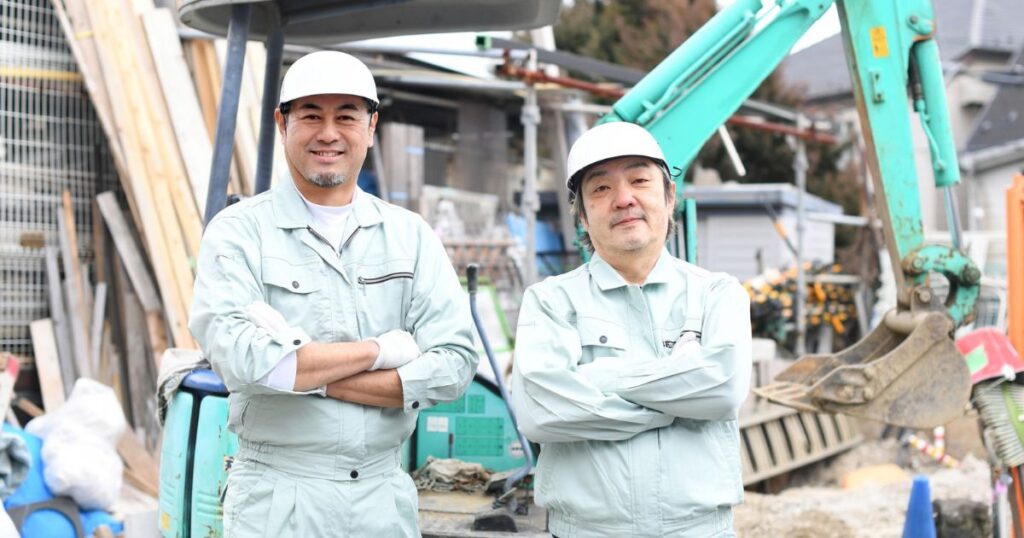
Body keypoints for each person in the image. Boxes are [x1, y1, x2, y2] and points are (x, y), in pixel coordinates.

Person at [189, 50, 477, 537]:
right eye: (311, 115)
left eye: (346, 116)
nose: (328, 133)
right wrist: (382, 352)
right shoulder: (239, 232)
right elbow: (241, 357)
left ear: (371, 127)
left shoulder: (410, 236)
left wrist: (301, 372)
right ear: (282, 124)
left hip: (382, 500)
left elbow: (454, 364)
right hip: (277, 500)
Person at [510, 122, 752, 537]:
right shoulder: (550, 301)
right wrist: (676, 398)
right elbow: (539, 413)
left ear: (669, 196)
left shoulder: (716, 293)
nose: (624, 200)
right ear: (582, 216)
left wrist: (596, 378)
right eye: (601, 189)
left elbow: (724, 389)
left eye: (640, 180)